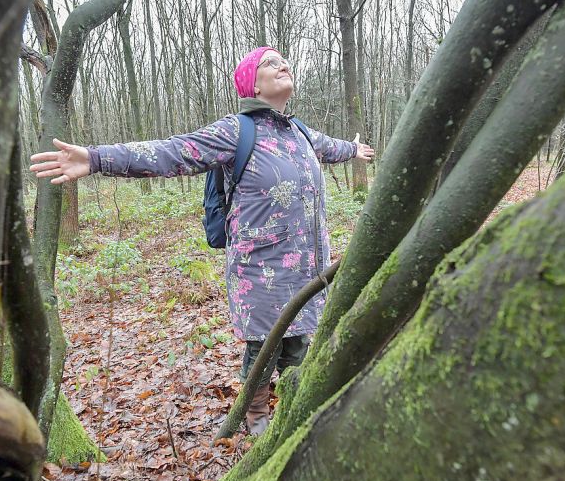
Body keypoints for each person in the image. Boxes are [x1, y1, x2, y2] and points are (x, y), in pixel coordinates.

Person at [30, 46, 374, 435]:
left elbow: (332, 147)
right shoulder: (236, 131)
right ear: (252, 84)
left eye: (284, 60)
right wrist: (96, 158)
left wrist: (355, 150)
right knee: (264, 350)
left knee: (299, 346)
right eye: (270, 63)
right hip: (261, 272)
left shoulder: (299, 132)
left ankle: (298, 413)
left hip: (307, 270)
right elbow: (171, 152)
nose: (283, 65)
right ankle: (256, 414)